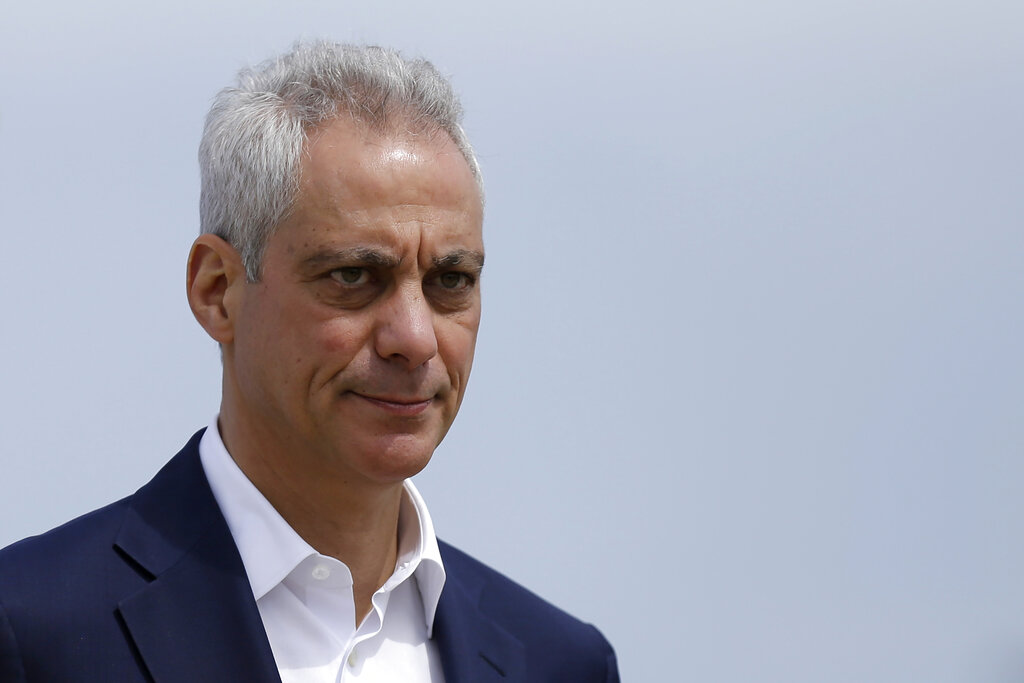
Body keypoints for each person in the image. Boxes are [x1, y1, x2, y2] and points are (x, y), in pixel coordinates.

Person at [0, 41, 618, 682]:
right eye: (353, 276)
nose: (414, 338)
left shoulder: (559, 662)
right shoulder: (33, 632)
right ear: (217, 291)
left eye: (451, 281)